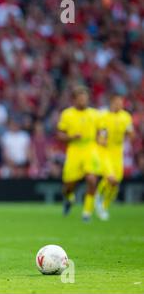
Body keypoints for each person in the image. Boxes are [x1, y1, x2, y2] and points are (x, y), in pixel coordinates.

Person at [57, 85, 101, 222]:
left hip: (90, 149)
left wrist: (102, 140)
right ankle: (69, 199)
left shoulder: (95, 114)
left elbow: (102, 132)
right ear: (74, 100)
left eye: (85, 98)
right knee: (68, 185)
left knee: (92, 180)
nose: (83, 101)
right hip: (74, 150)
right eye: (80, 98)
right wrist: (71, 137)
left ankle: (87, 213)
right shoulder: (67, 114)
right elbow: (59, 135)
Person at [95, 95, 134, 220]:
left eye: (121, 103)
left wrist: (130, 133)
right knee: (110, 178)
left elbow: (130, 133)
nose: (119, 105)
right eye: (117, 103)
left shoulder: (126, 117)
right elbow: (100, 134)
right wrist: (101, 140)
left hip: (118, 152)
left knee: (116, 182)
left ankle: (104, 206)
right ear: (111, 103)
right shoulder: (104, 116)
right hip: (105, 151)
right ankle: (98, 197)